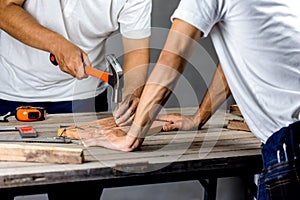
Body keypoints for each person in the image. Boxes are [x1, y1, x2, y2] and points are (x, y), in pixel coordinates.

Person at [83, 0, 300, 199]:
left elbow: (173, 57)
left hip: (291, 143)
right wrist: (199, 118)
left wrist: (131, 137)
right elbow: (239, 59)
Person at [0, 0, 151, 115]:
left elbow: (137, 52)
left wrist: (131, 95)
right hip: (14, 93)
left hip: (85, 99)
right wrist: (56, 44)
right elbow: (4, 8)